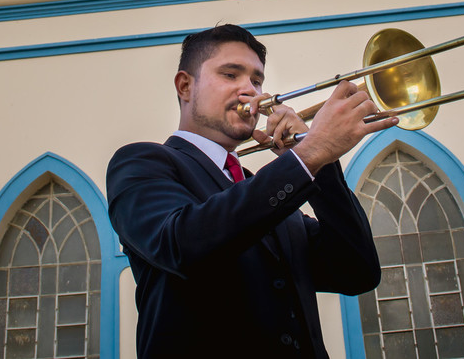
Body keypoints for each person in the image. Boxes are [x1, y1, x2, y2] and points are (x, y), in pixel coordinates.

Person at [106, 24, 396, 358]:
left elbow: (356, 272)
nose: (251, 91)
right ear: (186, 86)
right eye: (230, 75)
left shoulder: (273, 189)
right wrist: (307, 157)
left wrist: (323, 166)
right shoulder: (143, 162)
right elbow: (180, 244)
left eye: (256, 80)